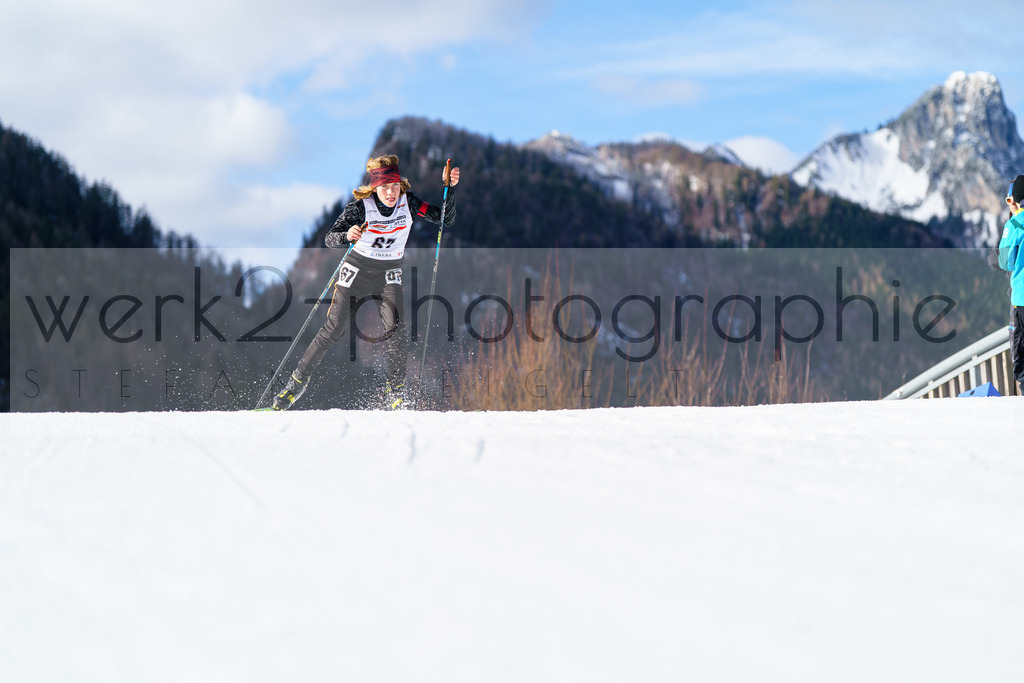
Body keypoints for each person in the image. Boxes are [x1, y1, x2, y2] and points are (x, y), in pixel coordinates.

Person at [273, 154, 460, 410]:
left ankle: (395, 392)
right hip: (358, 271)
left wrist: (448, 189)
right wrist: (347, 234)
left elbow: (444, 219)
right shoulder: (360, 207)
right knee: (333, 329)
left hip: (388, 272)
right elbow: (330, 239)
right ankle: (295, 385)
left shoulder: (410, 203)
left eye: (395, 185)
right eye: (384, 187)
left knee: (396, 329)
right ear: (374, 187)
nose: (391, 192)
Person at [998, 174, 1024, 395]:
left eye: (1009, 199)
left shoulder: (1014, 224)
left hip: (1021, 300)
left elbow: (1004, 261)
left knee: (1020, 354)